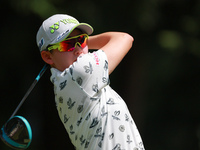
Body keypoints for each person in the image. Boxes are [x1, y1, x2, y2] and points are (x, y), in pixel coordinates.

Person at [36, 14, 145, 150]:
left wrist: (79, 41)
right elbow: (124, 38)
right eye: (67, 44)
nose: (78, 49)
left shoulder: (63, 82)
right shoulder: (80, 72)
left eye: (81, 40)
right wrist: (85, 41)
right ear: (47, 56)